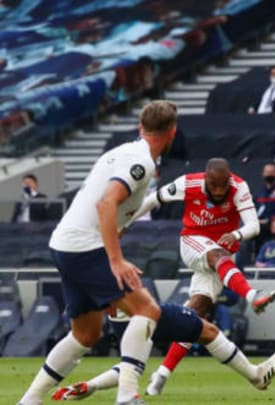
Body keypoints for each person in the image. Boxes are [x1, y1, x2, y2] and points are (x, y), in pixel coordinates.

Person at [17, 100, 178, 405]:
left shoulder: (121, 151)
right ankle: (127, 397)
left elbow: (108, 206)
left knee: (86, 334)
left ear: (141, 127)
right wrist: (116, 260)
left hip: (64, 244)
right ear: (173, 132)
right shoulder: (141, 162)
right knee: (147, 310)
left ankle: (30, 401)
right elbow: (106, 204)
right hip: (84, 246)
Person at [125, 157, 275, 397]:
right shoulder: (188, 184)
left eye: (222, 186)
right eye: (213, 185)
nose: (218, 191)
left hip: (222, 257)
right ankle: (252, 294)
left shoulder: (239, 187)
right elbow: (155, 198)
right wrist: (125, 222)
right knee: (217, 255)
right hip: (193, 243)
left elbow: (254, 227)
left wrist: (237, 234)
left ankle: (161, 376)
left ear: (229, 180)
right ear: (206, 178)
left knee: (194, 318)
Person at [50, 303, 275, 400]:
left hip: (123, 318)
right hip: (139, 309)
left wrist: (91, 386)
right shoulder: (104, 217)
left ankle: (86, 387)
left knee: (132, 364)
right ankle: (255, 375)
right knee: (207, 330)